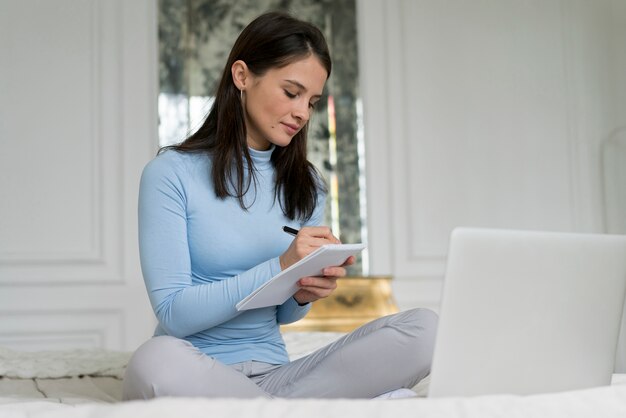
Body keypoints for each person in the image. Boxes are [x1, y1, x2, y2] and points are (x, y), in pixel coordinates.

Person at [122, 11, 437, 400]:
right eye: (292, 92)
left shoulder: (306, 185)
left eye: (312, 101)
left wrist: (302, 292)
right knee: (154, 361)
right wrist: (282, 266)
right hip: (194, 370)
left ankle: (275, 408)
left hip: (277, 376)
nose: (303, 112)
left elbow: (285, 315)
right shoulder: (170, 174)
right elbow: (174, 314)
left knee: (426, 329)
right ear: (242, 76)